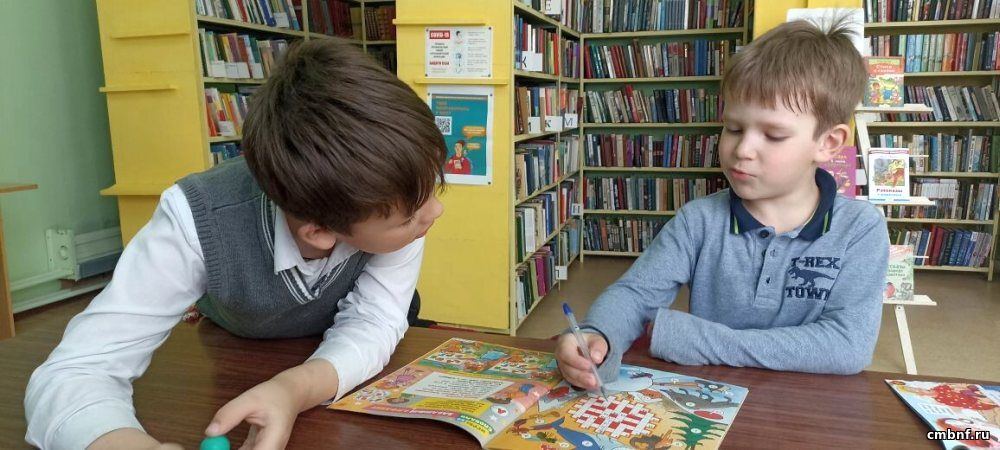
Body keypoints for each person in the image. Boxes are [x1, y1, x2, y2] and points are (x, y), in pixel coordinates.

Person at [25, 38, 447, 450]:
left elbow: (375, 321)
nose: (434, 212)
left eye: (433, 186)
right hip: (232, 350)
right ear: (319, 231)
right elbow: (74, 372)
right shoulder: (196, 219)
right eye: (409, 216)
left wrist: (292, 390)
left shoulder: (391, 197)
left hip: (329, 362)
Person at [556, 18, 890, 388]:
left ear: (828, 143)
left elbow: (846, 346)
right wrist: (598, 334)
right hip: (712, 398)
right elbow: (634, 295)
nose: (742, 149)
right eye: (733, 128)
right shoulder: (698, 220)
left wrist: (694, 339)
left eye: (773, 135)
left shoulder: (860, 228)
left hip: (807, 406)